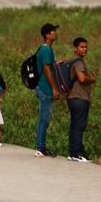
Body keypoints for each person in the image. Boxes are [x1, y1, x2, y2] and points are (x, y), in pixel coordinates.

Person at [67, 37, 97, 162]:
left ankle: (73, 152)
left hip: (72, 98)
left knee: (75, 125)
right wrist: (92, 79)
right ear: (75, 48)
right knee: (79, 126)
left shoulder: (71, 61)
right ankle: (77, 153)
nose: (85, 49)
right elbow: (82, 78)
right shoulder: (78, 62)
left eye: (86, 47)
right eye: (82, 47)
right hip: (79, 98)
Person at [34, 22, 59, 157]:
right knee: (44, 118)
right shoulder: (46, 50)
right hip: (45, 88)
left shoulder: (46, 49)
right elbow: (46, 69)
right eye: (53, 31)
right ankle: (40, 147)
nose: (56, 33)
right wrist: (54, 88)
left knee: (44, 118)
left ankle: (41, 146)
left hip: (43, 87)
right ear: (47, 35)